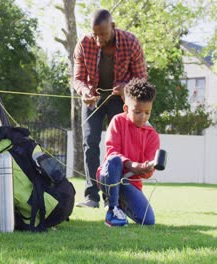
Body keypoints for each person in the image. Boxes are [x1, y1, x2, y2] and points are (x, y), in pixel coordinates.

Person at [73, 9, 148, 208]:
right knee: (90, 144)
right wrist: (83, 91)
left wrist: (127, 88)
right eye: (95, 34)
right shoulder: (84, 43)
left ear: (113, 27)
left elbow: (142, 78)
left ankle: (112, 197)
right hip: (93, 99)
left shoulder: (131, 42)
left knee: (116, 148)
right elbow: (78, 79)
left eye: (103, 34)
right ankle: (92, 196)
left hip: (119, 100)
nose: (98, 39)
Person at [97, 78, 159, 226]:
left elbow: (148, 173)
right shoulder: (117, 121)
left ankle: (121, 206)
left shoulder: (152, 135)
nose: (142, 116)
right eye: (137, 112)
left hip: (130, 183)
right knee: (114, 160)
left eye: (147, 112)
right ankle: (112, 209)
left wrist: (146, 168)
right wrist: (131, 165)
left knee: (148, 220)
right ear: (126, 108)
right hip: (108, 176)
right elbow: (112, 152)